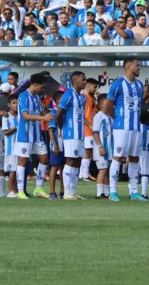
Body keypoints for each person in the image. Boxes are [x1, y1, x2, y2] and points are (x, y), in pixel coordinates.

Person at [105, 58, 146, 202]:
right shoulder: (118, 84)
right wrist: (117, 119)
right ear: (128, 66)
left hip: (136, 128)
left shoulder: (140, 86)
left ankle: (134, 191)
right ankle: (113, 192)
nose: (139, 67)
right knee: (118, 157)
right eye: (137, 65)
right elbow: (108, 107)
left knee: (134, 158)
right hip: (122, 128)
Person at [14, 74, 52, 200]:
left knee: (44, 158)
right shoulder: (23, 96)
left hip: (36, 134)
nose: (43, 90)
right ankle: (20, 191)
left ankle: (38, 188)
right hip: (24, 134)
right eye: (41, 87)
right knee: (23, 161)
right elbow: (25, 116)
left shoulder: (36, 97)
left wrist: (46, 111)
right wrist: (43, 118)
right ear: (35, 85)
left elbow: (40, 113)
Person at [55, 70, 86, 200]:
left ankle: (73, 191)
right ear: (75, 81)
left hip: (80, 134)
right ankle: (66, 191)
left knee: (78, 161)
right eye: (83, 80)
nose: (85, 82)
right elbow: (59, 114)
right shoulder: (68, 94)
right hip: (70, 133)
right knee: (70, 160)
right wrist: (63, 128)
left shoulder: (83, 97)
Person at [92, 95, 113, 199]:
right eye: (106, 103)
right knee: (102, 170)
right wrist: (100, 146)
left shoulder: (110, 117)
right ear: (100, 105)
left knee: (107, 171)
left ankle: (106, 192)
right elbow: (95, 132)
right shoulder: (98, 116)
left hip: (109, 149)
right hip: (101, 148)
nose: (108, 105)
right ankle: (99, 193)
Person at [47, 91, 65, 200]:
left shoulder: (66, 112)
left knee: (63, 168)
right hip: (57, 145)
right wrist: (55, 145)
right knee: (54, 167)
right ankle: (52, 192)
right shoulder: (53, 113)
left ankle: (63, 191)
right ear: (57, 101)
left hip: (66, 145)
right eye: (62, 98)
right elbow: (50, 131)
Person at [2, 97, 19, 198]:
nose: (16, 105)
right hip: (10, 146)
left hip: (19, 146)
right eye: (14, 103)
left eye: (17, 103)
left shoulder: (20, 116)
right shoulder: (6, 117)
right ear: (9, 105)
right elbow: (5, 132)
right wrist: (16, 128)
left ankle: (16, 190)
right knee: (12, 169)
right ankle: (9, 191)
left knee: (17, 169)